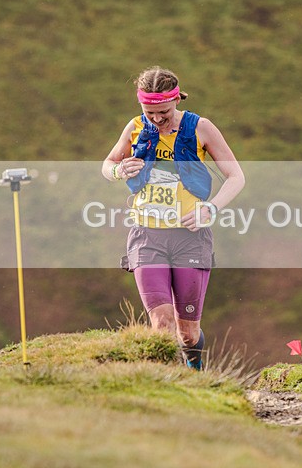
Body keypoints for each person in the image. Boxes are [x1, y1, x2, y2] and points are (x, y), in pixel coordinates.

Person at [103, 66, 245, 370]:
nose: (156, 119)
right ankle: (167, 383)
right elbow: (108, 164)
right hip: (146, 236)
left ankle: (194, 373)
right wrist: (118, 170)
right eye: (149, 113)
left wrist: (210, 209)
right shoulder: (134, 127)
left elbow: (236, 176)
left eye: (164, 113)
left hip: (190, 238)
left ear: (177, 100)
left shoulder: (201, 128)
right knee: (162, 323)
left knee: (187, 334)